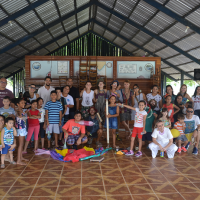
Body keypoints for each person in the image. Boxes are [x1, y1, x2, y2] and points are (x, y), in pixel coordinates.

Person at [15, 98, 29, 165]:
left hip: (22, 128)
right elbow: (20, 117)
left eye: (24, 103)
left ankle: (21, 158)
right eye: (22, 103)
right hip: (20, 129)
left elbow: (21, 115)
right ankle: (18, 160)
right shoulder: (18, 110)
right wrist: (28, 117)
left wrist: (25, 112)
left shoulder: (21, 110)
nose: (23, 104)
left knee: (22, 144)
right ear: (17, 104)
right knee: (20, 145)